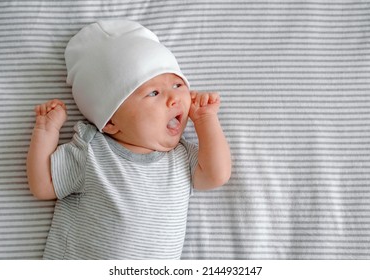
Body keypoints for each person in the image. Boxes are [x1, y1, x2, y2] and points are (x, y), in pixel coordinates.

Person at [26, 19, 231, 259]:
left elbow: (217, 175)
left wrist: (206, 120)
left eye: (177, 84)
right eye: (153, 93)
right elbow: (43, 185)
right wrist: (46, 132)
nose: (174, 98)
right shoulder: (92, 151)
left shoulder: (181, 158)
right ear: (111, 121)